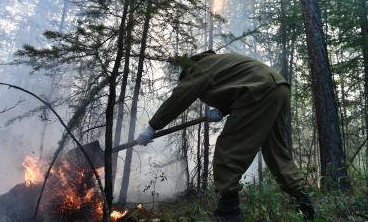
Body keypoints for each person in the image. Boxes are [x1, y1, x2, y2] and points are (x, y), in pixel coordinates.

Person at [136, 50, 317, 221]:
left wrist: (152, 127)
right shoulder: (216, 63)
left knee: (228, 150)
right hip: (279, 88)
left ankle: (229, 212)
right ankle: (305, 205)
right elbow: (237, 84)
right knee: (276, 151)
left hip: (258, 91)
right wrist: (223, 109)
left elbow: (179, 97)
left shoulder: (197, 69)